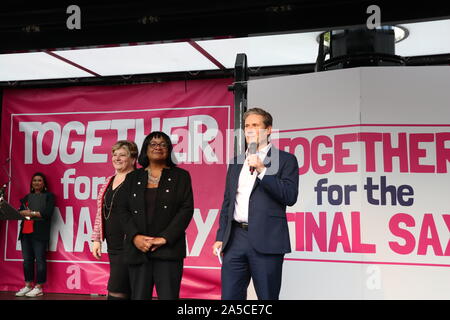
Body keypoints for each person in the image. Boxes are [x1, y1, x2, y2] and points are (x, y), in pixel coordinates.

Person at [212, 107, 299, 300]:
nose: (250, 130)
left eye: (255, 125)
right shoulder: (236, 162)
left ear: (268, 130)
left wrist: (262, 170)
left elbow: (290, 196)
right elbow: (228, 202)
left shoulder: (285, 160)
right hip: (235, 239)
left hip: (267, 240)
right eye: (246, 126)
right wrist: (221, 236)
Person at [117, 131, 194, 300]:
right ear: (145, 149)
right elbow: (122, 210)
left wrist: (164, 238)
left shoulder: (181, 176)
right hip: (138, 250)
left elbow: (186, 209)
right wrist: (135, 237)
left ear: (169, 149)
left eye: (163, 144)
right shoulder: (132, 177)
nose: (158, 147)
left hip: (169, 250)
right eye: (153, 144)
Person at [91, 140, 138, 300]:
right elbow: (100, 212)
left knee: (117, 289)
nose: (117, 158)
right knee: (126, 287)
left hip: (131, 243)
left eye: (122, 155)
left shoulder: (138, 180)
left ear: (133, 159)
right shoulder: (108, 181)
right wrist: (96, 239)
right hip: (113, 244)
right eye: (114, 154)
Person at [15, 172, 55, 297]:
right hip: (25, 232)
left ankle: (39, 287)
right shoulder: (27, 197)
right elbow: (20, 211)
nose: (36, 182)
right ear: (31, 184)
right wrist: (30, 213)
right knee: (27, 261)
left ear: (44, 184)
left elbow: (47, 213)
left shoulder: (49, 196)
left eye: (39, 180)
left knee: (40, 260)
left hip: (39, 233)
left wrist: (31, 213)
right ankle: (28, 285)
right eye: (34, 181)